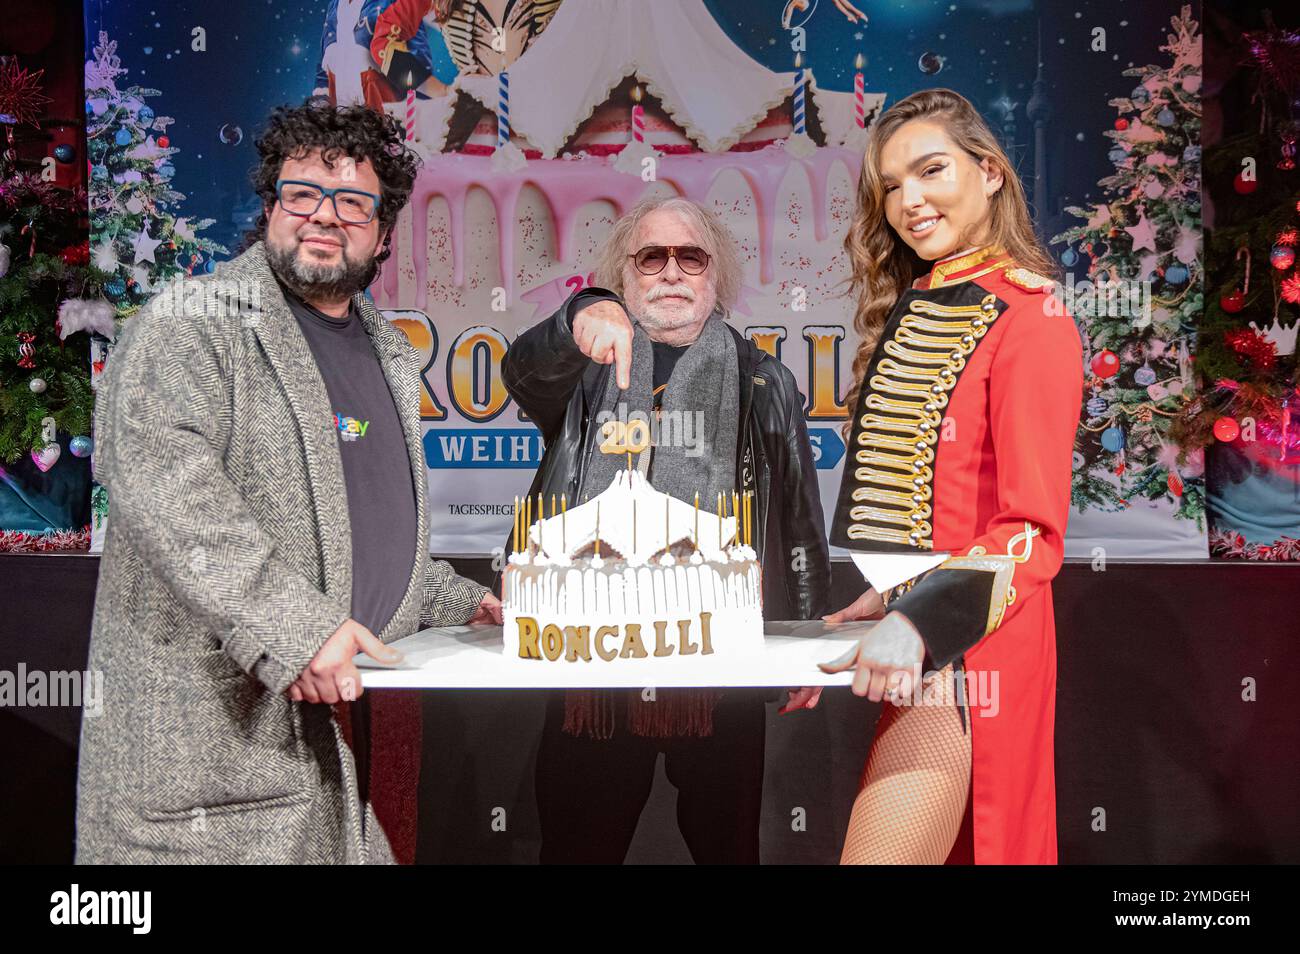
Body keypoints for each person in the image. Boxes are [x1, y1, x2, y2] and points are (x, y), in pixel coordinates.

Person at [77, 98, 499, 864]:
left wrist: (465, 600)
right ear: (271, 207)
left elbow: (357, 537)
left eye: (352, 202)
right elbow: (168, 495)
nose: (323, 217)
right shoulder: (190, 324)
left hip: (328, 764)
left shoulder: (387, 354)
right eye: (301, 194)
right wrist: (299, 632)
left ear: (383, 233)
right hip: (211, 766)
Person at [501, 196, 831, 864]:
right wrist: (576, 317)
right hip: (590, 657)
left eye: (691, 257)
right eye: (652, 257)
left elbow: (798, 513)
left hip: (719, 660)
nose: (671, 272)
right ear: (626, 277)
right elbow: (520, 371)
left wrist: (802, 634)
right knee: (573, 850)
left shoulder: (762, 379)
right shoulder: (584, 369)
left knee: (726, 851)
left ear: (716, 278)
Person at [818, 88, 1084, 864]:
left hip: (978, 652)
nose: (909, 200)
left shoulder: (1032, 317)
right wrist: (894, 589)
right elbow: (939, 504)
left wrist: (921, 618)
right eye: (890, 186)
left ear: (991, 172)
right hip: (931, 640)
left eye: (930, 171)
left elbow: (1030, 535)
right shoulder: (926, 298)